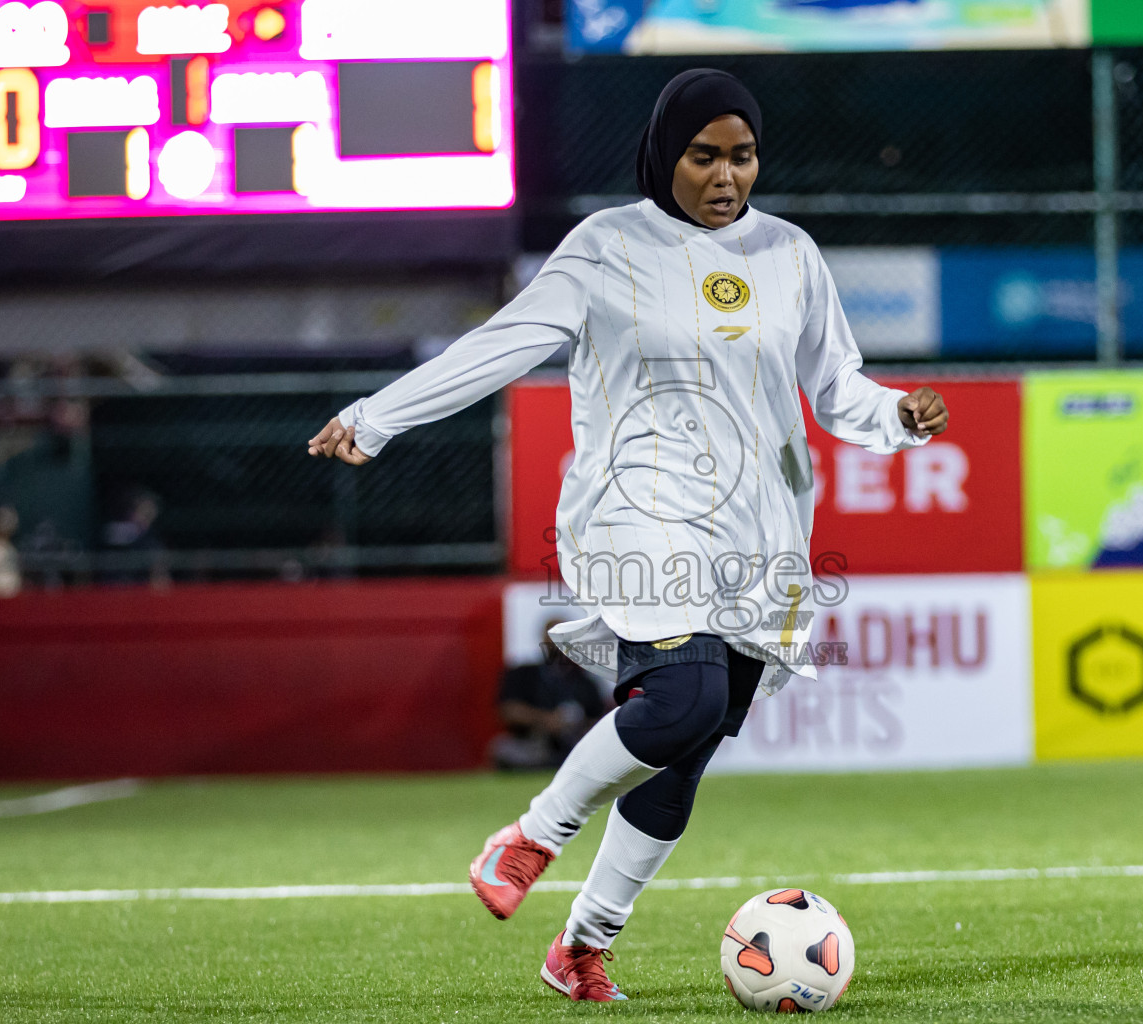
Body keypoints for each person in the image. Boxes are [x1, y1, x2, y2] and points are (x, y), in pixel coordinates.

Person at [309, 68, 948, 1001]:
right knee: (683, 704)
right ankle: (530, 836)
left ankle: (581, 947)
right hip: (637, 513)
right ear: (664, 154)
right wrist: (378, 417)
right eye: (704, 156)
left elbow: (836, 386)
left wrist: (899, 415)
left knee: (688, 743)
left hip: (760, 534)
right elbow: (504, 342)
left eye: (743, 155)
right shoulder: (607, 247)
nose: (727, 175)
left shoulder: (790, 253)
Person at [492, 621, 610, 770]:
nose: (557, 643)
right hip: (532, 743)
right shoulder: (524, 673)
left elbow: (600, 719)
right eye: (552, 636)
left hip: (574, 745)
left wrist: (575, 723)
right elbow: (509, 710)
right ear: (543, 638)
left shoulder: (586, 680)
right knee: (502, 748)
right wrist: (546, 719)